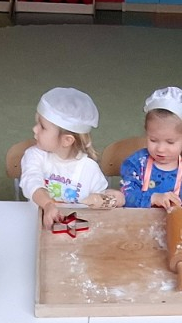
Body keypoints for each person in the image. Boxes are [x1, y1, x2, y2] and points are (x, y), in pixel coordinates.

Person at [20, 87, 117, 228]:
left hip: (77, 231)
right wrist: (48, 204)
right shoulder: (34, 155)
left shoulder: (89, 169)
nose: (34, 129)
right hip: (36, 225)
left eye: (42, 127)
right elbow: (31, 181)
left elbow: (102, 204)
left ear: (67, 140)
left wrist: (107, 199)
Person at [119, 87, 182, 210]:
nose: (161, 149)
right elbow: (125, 197)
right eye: (153, 140)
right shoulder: (136, 163)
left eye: (170, 142)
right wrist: (153, 198)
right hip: (139, 221)